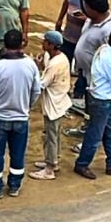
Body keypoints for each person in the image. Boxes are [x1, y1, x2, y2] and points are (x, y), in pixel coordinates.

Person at [0, 29, 41, 197]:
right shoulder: (30, 65)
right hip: (21, 118)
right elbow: (36, 91)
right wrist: (26, 106)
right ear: (22, 44)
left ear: (4, 44)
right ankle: (14, 186)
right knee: (18, 154)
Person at [74, 26, 111, 180]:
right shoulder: (108, 59)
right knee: (95, 134)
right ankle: (82, 163)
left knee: (110, 131)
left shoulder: (105, 50)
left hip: (101, 98)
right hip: (102, 100)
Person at [29, 31, 72, 180]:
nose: (43, 43)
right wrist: (41, 65)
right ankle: (53, 160)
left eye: (45, 41)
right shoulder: (60, 57)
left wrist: (35, 69)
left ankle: (50, 168)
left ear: (51, 45)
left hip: (54, 103)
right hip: (59, 101)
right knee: (53, 134)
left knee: (51, 135)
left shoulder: (55, 64)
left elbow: (42, 83)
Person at [54, 0, 99, 100]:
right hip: (69, 32)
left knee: (83, 65)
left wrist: (86, 18)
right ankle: (62, 89)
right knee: (64, 60)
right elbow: (66, 2)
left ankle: (79, 92)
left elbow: (100, 16)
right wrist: (60, 19)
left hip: (85, 37)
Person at [73, 0, 111, 108]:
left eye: (87, 8)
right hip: (85, 72)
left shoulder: (108, 30)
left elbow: (110, 56)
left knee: (95, 107)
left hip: (96, 79)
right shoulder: (90, 19)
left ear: (95, 10)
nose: (85, 10)